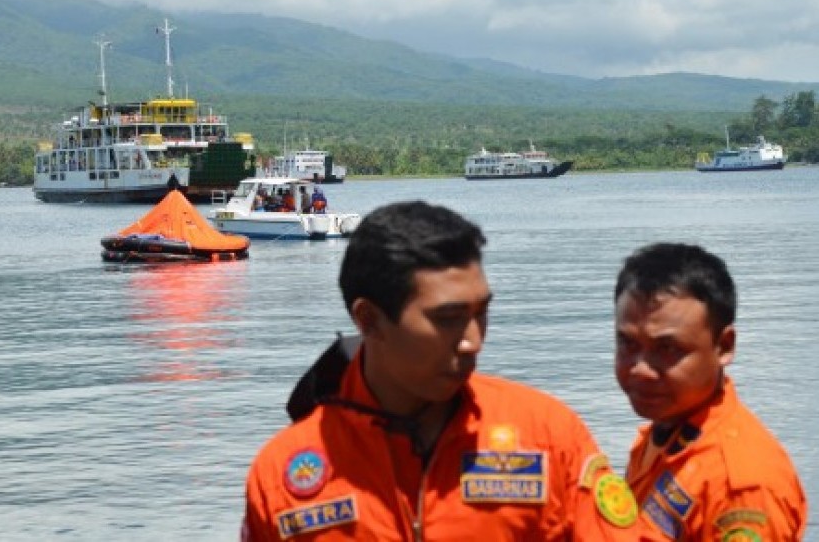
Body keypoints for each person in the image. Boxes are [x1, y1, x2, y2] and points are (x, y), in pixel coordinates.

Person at [242, 200, 649, 541]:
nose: (473, 340)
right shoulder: (283, 476)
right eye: (449, 318)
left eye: (481, 313)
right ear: (368, 319)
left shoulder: (546, 435)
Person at [613, 242, 807, 540]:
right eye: (628, 344)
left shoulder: (740, 489)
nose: (640, 369)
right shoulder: (667, 434)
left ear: (724, 346)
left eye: (667, 349)